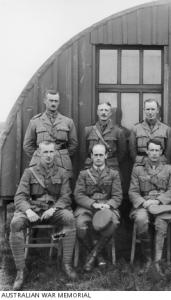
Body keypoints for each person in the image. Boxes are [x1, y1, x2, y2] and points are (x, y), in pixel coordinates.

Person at [9, 141, 77, 290]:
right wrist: (27, 211)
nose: (48, 155)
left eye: (51, 152)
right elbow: (19, 197)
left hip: (52, 210)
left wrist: (54, 209)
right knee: (15, 224)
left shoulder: (62, 172)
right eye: (45, 152)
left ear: (55, 153)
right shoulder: (29, 172)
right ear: (39, 153)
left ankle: (66, 263)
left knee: (70, 219)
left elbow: (66, 196)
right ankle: (21, 270)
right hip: (32, 210)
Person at [129, 139, 171, 275]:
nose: (154, 153)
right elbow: (133, 191)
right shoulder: (138, 168)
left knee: (161, 222)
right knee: (141, 220)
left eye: (157, 150)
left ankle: (157, 262)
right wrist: (143, 202)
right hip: (143, 204)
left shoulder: (169, 169)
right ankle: (147, 260)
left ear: (161, 152)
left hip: (162, 205)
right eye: (152, 150)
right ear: (147, 151)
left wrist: (158, 201)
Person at [74, 144, 122, 272]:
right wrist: (93, 204)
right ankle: (98, 256)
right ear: (91, 156)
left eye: (101, 155)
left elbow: (117, 196)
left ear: (106, 155)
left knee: (113, 223)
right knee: (80, 225)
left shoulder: (113, 174)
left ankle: (92, 256)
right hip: (87, 207)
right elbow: (78, 195)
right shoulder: (84, 174)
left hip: (107, 207)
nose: (98, 158)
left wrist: (108, 205)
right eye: (96, 155)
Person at [23, 89, 78, 177]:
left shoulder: (68, 122)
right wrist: (40, 156)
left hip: (62, 163)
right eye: (51, 100)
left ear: (59, 102)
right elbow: (27, 145)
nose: (53, 103)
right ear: (45, 101)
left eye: (56, 101)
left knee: (63, 188)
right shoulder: (35, 121)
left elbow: (73, 144)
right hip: (41, 163)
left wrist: (63, 155)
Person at [129, 98, 171, 165]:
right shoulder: (135, 129)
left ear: (157, 110)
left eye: (153, 109)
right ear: (144, 110)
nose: (150, 112)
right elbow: (132, 152)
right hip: (141, 165)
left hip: (161, 166)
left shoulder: (166, 129)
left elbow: (169, 154)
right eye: (147, 109)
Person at [83, 102, 126, 170]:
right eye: (101, 110)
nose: (103, 112)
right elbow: (84, 151)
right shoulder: (88, 130)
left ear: (110, 113)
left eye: (106, 110)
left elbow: (122, 153)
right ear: (97, 112)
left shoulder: (118, 131)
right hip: (92, 167)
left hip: (111, 168)